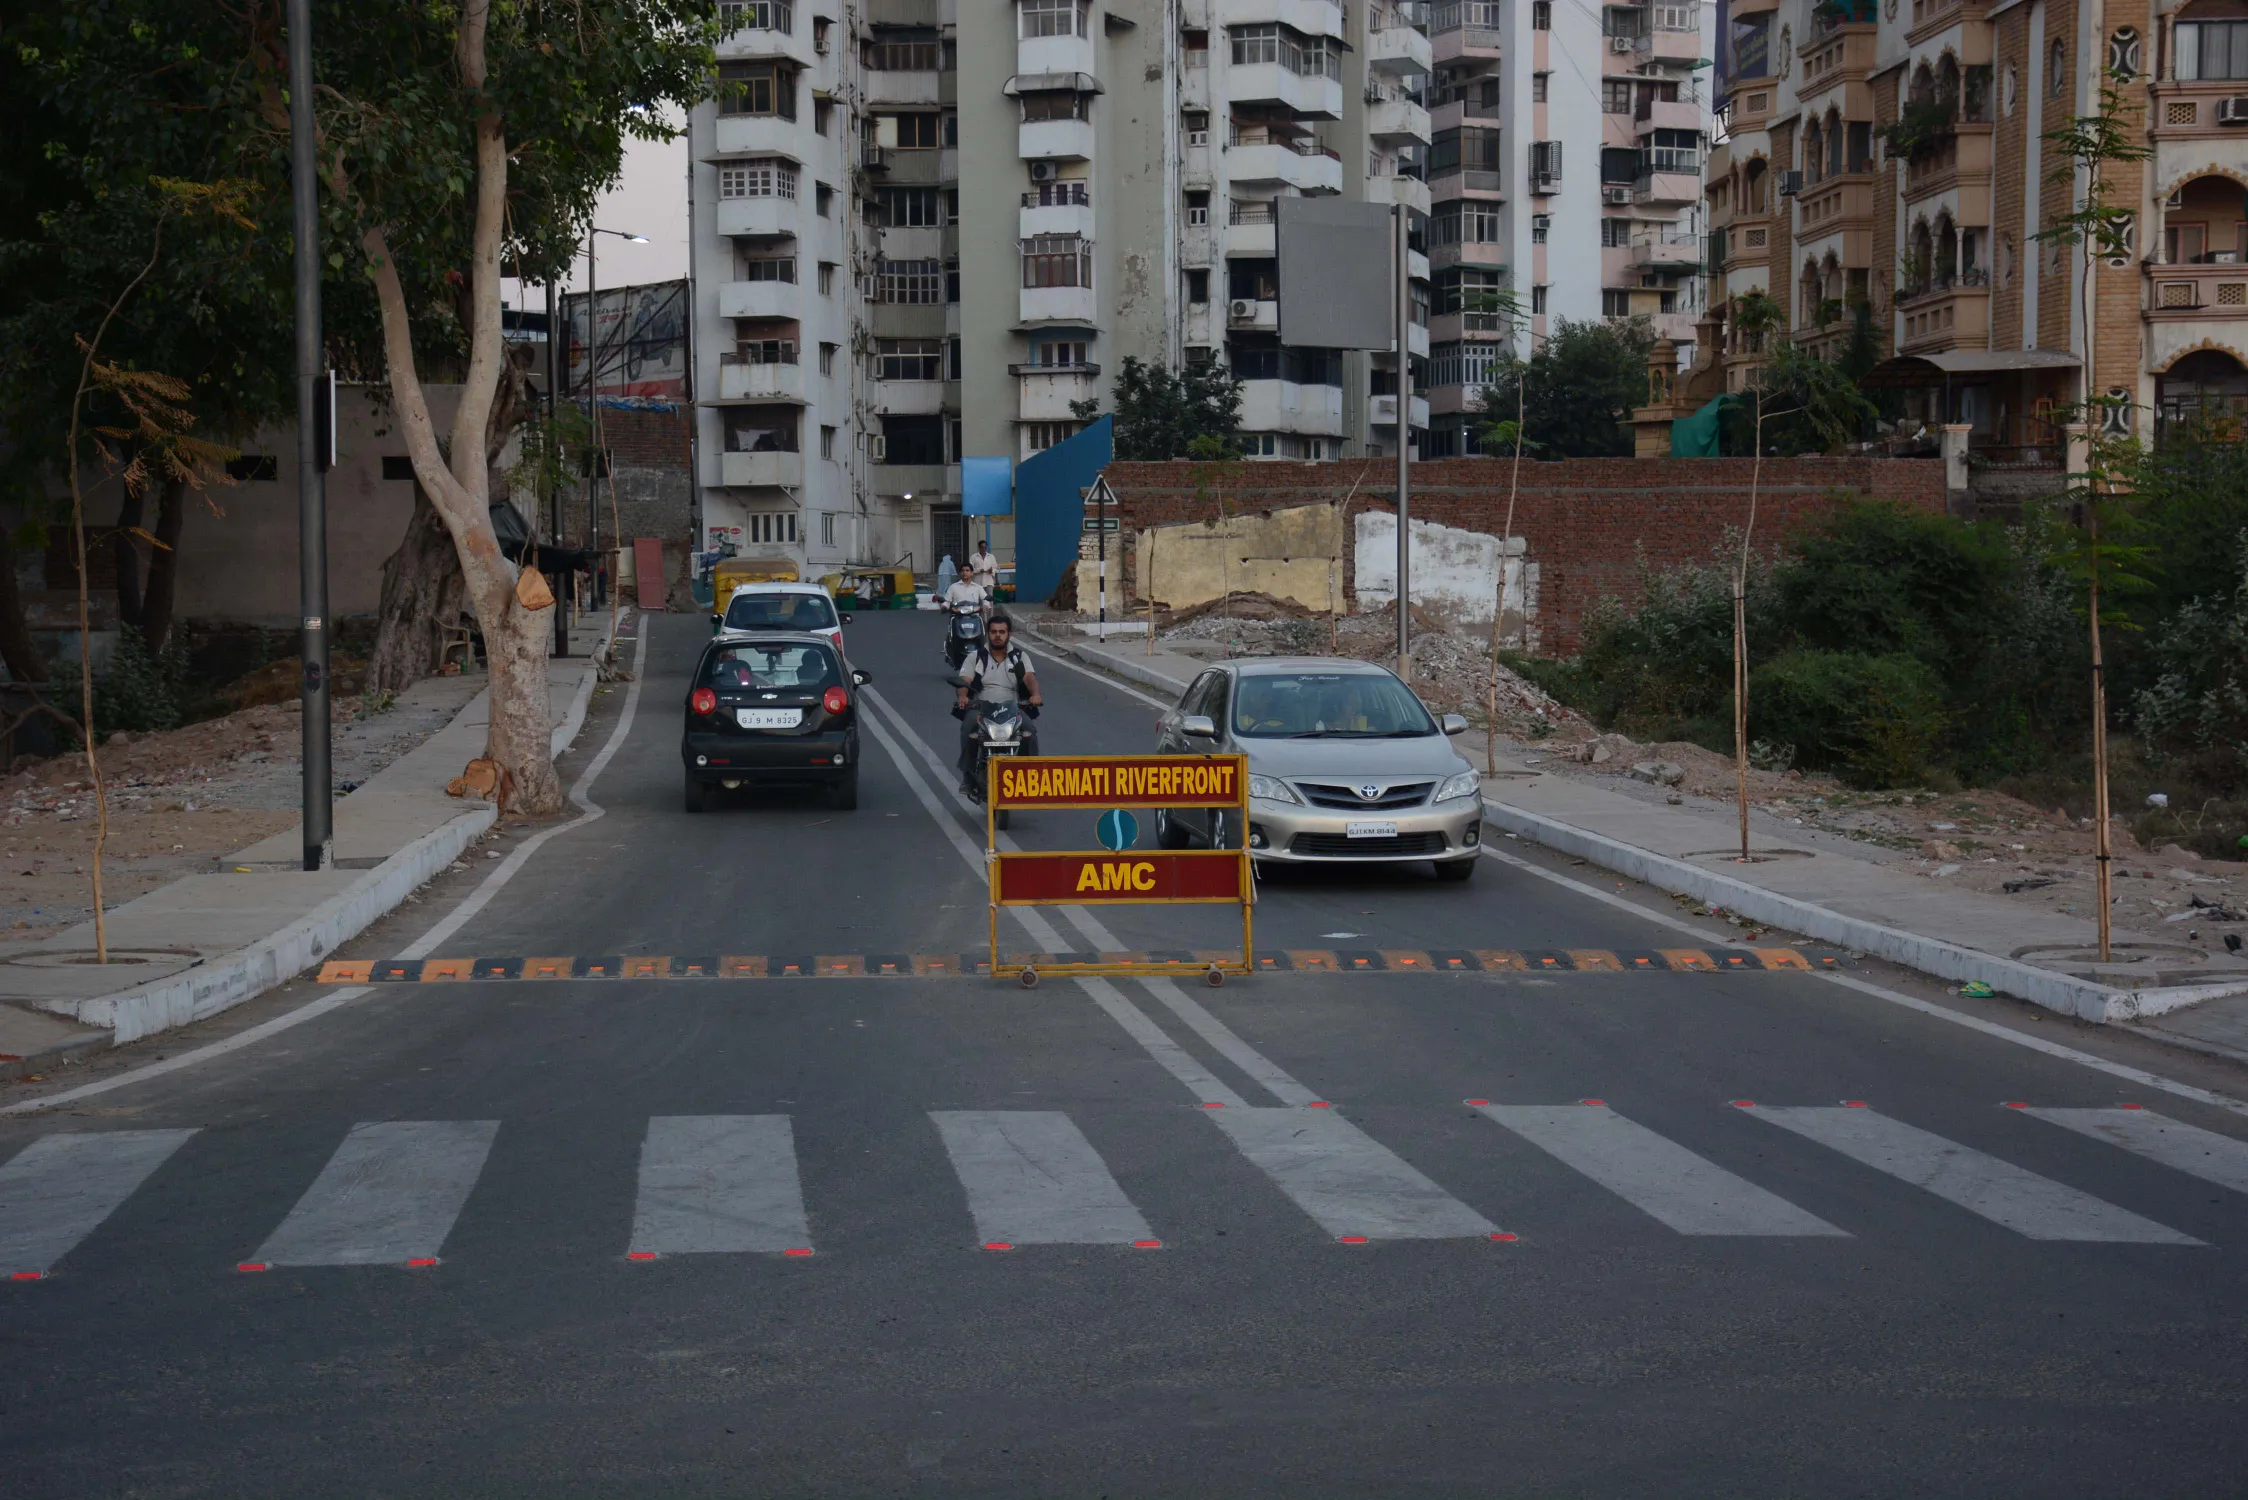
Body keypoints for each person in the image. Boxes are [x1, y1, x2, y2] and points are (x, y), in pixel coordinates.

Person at [955, 612, 1042, 793]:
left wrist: (1035, 694)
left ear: (1009, 634)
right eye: (994, 632)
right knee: (968, 729)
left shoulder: (1019, 657)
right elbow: (964, 680)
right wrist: (963, 696)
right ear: (988, 633)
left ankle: (1031, 776)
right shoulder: (976, 657)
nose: (997, 635)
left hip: (1013, 707)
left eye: (1002, 632)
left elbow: (1029, 677)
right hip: (981, 707)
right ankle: (968, 776)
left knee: (1029, 732)